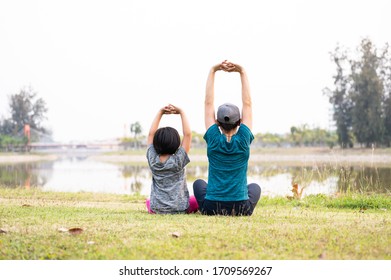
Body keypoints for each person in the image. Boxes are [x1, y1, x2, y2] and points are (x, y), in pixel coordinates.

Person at [193, 61, 261, 216]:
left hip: (211, 207)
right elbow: (248, 104)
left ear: (217, 122)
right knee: (255, 187)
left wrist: (213, 70)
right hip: (241, 208)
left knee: (199, 184)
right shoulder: (243, 139)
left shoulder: (213, 138)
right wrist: (242, 71)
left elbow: (208, 103)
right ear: (240, 122)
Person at [146, 104, 198, 214]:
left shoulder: (153, 160)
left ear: (156, 143)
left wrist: (160, 112)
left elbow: (151, 134)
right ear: (176, 143)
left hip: (157, 208)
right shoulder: (178, 160)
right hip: (181, 208)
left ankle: (153, 206)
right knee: (196, 200)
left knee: (148, 201)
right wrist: (181, 112)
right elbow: (188, 135)